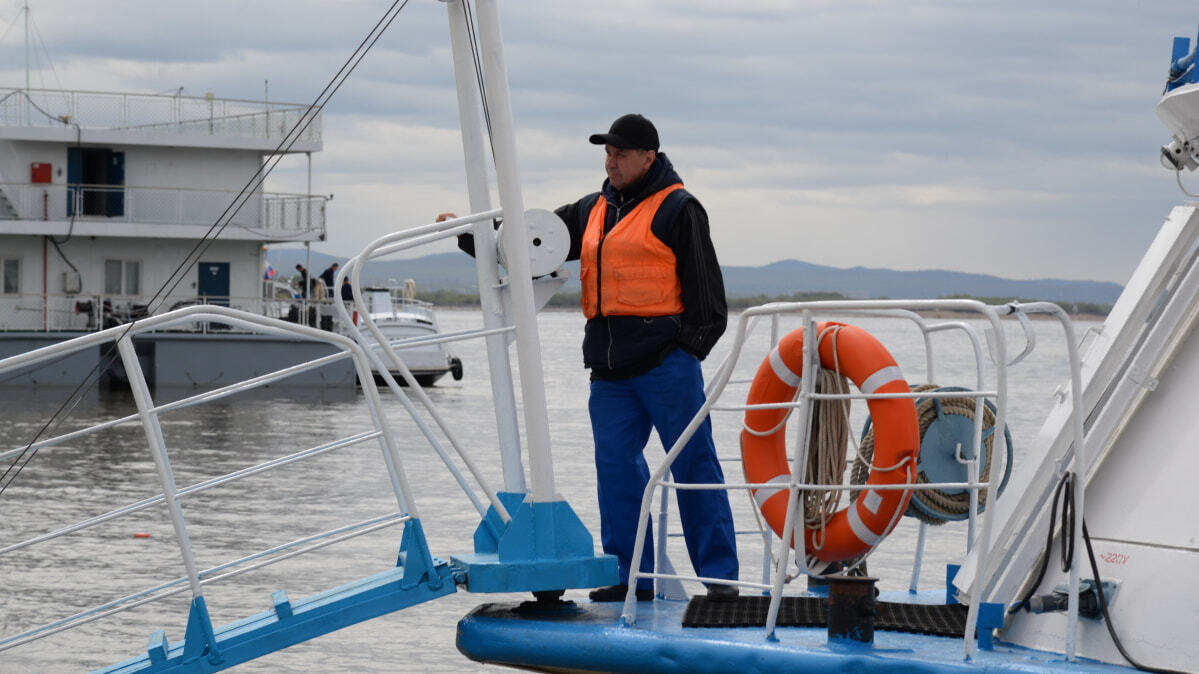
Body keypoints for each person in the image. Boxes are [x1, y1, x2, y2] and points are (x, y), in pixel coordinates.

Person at [445, 113, 739, 603]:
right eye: (608, 152)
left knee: (694, 465)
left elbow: (709, 300)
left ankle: (722, 581)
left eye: (621, 153)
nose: (612, 161)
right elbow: (528, 240)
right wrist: (469, 234)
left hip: (668, 365)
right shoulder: (592, 208)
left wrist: (685, 352)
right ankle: (631, 577)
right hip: (609, 372)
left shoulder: (679, 209)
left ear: (650, 157)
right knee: (617, 472)